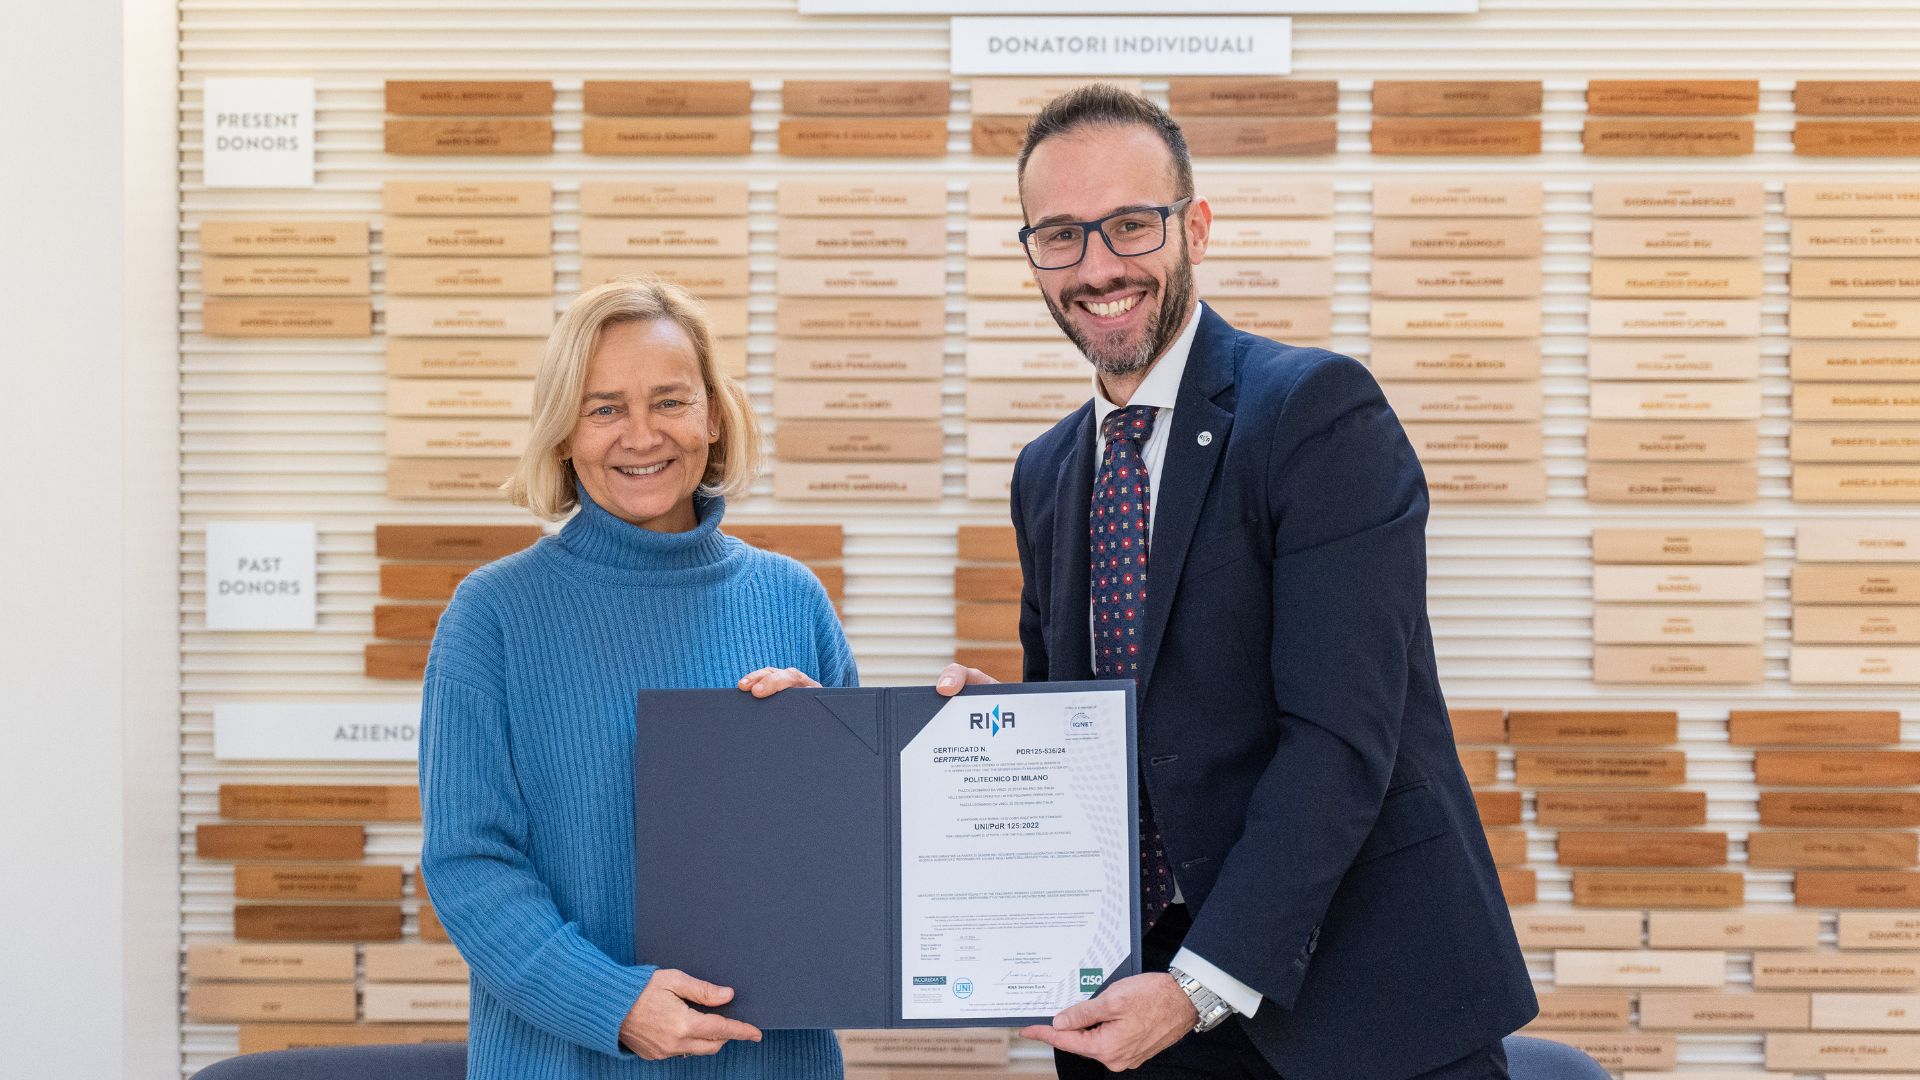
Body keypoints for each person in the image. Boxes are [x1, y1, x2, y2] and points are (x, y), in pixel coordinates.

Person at [936, 86, 1537, 1080]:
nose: (1098, 267)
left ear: (1195, 228)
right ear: (1031, 254)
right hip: (1144, 1012)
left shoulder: (1314, 415)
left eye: (1130, 225)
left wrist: (1201, 984)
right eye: (1060, 236)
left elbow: (1341, 739)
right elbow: (1100, 730)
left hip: (1359, 1003)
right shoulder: (1047, 472)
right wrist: (1010, 739)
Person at [420, 278, 854, 1079]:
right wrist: (613, 1003)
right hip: (564, 1059)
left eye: (670, 401)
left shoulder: (793, 600)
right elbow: (469, 865)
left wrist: (829, 767)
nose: (642, 434)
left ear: (713, 415)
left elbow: (850, 875)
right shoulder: (493, 615)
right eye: (604, 408)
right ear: (563, 434)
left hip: (769, 1061)